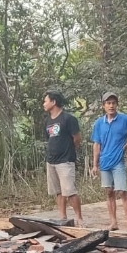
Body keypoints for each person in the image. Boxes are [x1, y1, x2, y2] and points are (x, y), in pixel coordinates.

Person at [90, 91, 127, 232]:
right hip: (104, 162)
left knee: (122, 192)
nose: (111, 106)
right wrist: (95, 165)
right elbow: (96, 144)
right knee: (109, 192)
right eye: (108, 103)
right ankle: (113, 222)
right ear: (103, 106)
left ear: (117, 105)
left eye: (114, 103)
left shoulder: (125, 119)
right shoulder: (99, 123)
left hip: (118, 162)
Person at [43, 89, 83, 226]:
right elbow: (50, 138)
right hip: (51, 161)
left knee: (70, 191)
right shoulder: (48, 120)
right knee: (58, 192)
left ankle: (79, 218)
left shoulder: (68, 119)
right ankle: (62, 217)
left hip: (65, 161)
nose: (44, 104)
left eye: (46, 101)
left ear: (53, 102)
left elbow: (77, 138)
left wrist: (69, 151)